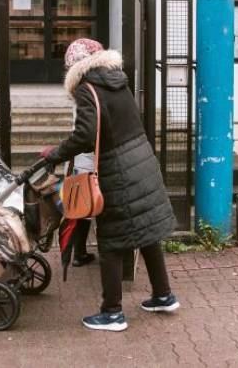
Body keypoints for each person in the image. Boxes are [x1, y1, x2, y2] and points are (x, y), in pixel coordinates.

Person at [41, 38, 179, 332]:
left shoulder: (87, 88)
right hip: (142, 161)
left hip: (118, 169)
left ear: (74, 66)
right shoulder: (117, 80)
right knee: (147, 233)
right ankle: (163, 295)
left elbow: (85, 135)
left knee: (111, 242)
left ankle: (112, 313)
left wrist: (54, 153)